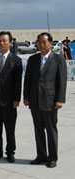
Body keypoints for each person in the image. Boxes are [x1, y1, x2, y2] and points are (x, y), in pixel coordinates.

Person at [23, 32, 67, 168]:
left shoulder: (58, 59)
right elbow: (28, 80)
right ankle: (41, 155)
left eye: (44, 42)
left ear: (51, 44)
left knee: (51, 130)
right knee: (38, 130)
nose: (41, 45)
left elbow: (62, 81)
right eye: (39, 42)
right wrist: (26, 97)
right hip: (35, 101)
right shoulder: (33, 59)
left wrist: (60, 100)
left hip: (50, 101)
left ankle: (52, 157)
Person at [0, 31, 23, 163]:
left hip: (9, 101)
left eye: (4, 41)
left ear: (10, 43)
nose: (2, 43)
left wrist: (16, 99)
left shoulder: (16, 60)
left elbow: (18, 82)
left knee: (9, 129)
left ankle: (10, 152)